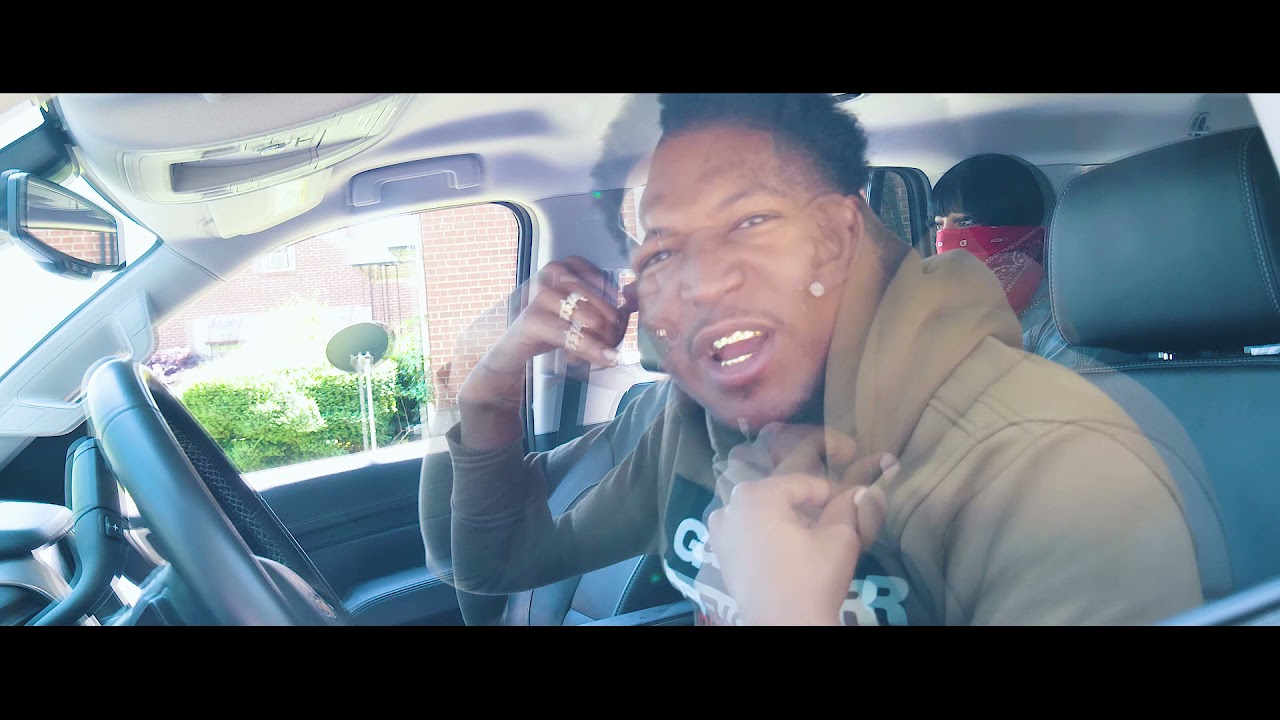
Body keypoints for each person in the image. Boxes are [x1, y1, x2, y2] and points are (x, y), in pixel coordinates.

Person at [424, 93, 1203, 626]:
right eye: (663, 249)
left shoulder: (1056, 466)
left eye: (751, 221)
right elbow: (497, 565)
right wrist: (484, 382)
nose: (700, 281)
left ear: (835, 236)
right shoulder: (692, 423)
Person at [929, 154, 1131, 368]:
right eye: (938, 226)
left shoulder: (1067, 330)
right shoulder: (948, 315)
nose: (943, 239)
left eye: (965, 222)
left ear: (1014, 226)